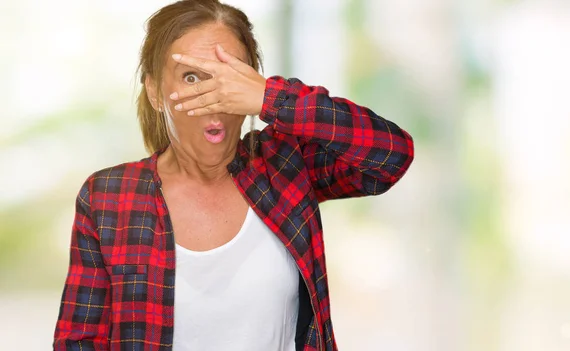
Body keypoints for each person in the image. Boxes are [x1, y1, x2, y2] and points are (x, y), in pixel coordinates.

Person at [53, 0, 414, 350]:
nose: (215, 97)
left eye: (229, 77)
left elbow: (390, 156)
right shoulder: (108, 197)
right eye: (192, 76)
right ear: (155, 92)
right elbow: (78, 342)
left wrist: (272, 97)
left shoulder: (286, 165)